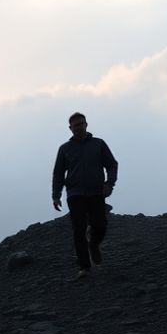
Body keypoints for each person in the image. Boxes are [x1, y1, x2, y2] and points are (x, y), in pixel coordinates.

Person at [52, 112, 118, 280]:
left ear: (86, 124)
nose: (78, 127)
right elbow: (58, 173)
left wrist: (109, 184)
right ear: (70, 128)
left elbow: (111, 164)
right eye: (75, 125)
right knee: (78, 231)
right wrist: (56, 195)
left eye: (81, 124)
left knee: (100, 226)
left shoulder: (98, 144)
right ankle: (84, 267)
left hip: (96, 192)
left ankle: (93, 244)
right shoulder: (65, 149)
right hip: (75, 194)